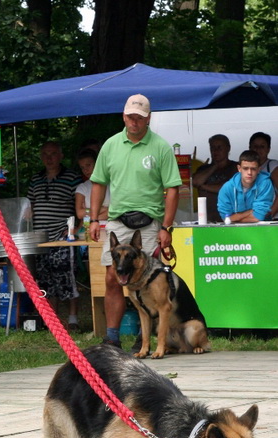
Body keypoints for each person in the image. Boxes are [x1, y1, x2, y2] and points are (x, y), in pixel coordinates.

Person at [89, 94, 182, 348]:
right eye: (131, 116)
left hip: (149, 223)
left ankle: (145, 338)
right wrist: (94, 219)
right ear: (123, 116)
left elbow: (173, 189)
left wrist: (166, 227)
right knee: (112, 277)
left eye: (139, 118)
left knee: (150, 281)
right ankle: (112, 337)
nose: (134, 122)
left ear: (148, 118)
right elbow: (98, 183)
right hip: (118, 221)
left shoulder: (161, 147)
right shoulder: (110, 145)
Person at [27, 141, 82, 331]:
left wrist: (77, 229)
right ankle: (53, 321)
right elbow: (29, 207)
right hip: (40, 238)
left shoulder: (72, 178)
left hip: (62, 236)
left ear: (61, 156)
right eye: (45, 154)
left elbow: (81, 206)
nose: (49, 158)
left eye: (53, 154)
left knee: (67, 277)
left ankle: (73, 319)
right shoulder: (36, 179)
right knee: (45, 280)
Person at [217, 150, 274, 223]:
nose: (249, 172)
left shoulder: (265, 183)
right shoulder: (227, 188)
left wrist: (235, 218)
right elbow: (225, 218)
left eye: (253, 169)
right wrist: (249, 212)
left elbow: (258, 217)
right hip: (234, 229)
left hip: (261, 229)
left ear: (259, 169)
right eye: (245, 168)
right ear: (239, 168)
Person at [192, 134, 238, 223]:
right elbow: (196, 182)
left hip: (231, 220)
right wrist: (215, 166)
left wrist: (204, 187)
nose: (216, 151)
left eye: (219, 147)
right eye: (212, 148)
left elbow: (228, 188)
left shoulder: (236, 167)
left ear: (228, 148)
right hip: (207, 220)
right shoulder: (203, 169)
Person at [74, 148, 109, 221]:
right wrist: (104, 209)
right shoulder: (82, 187)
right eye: (82, 167)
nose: (85, 170)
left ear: (97, 163)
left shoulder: (111, 184)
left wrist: (89, 215)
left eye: (88, 165)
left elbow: (116, 211)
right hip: (90, 226)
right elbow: (79, 213)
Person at [249, 131, 278, 218]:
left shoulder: (272, 166)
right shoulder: (247, 168)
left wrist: (270, 214)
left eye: (262, 146)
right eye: (255, 146)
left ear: (268, 149)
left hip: (271, 220)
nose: (258, 149)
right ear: (250, 148)